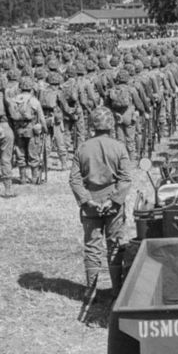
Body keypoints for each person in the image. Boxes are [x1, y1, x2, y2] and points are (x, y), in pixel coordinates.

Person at [69, 107, 132, 300]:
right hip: (113, 205)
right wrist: (113, 200)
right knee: (114, 245)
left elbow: (75, 180)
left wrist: (87, 200)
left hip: (90, 206)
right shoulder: (119, 147)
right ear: (111, 125)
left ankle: (91, 290)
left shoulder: (83, 147)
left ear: (92, 125)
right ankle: (117, 290)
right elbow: (126, 178)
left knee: (92, 246)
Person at [12, 77, 47, 184]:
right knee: (34, 154)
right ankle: (34, 178)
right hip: (32, 130)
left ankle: (22, 178)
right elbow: (41, 117)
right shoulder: (34, 100)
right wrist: (45, 129)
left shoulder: (14, 100)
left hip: (18, 130)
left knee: (20, 153)